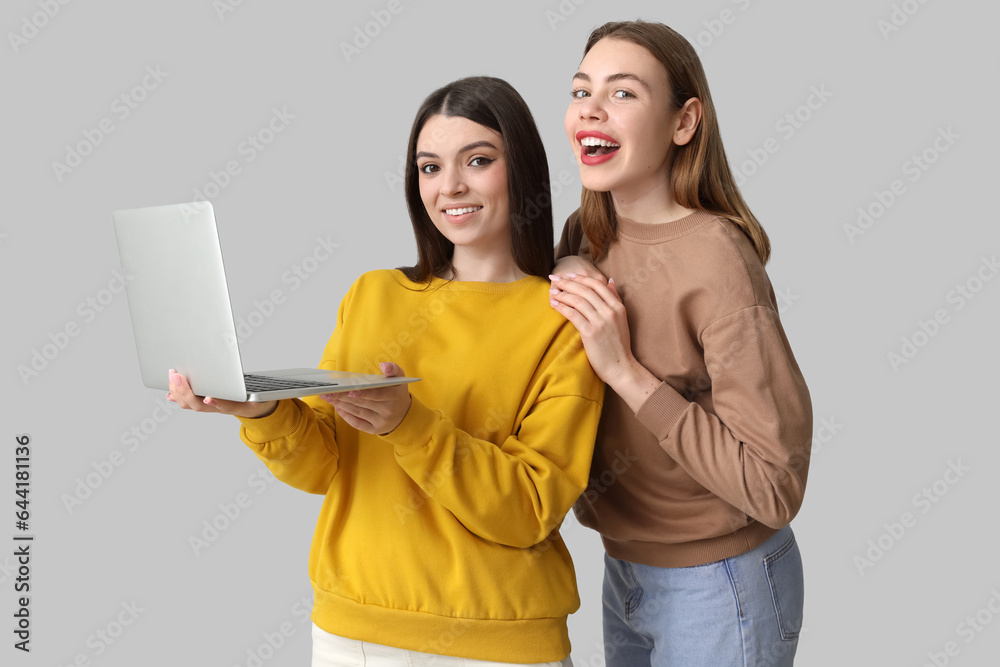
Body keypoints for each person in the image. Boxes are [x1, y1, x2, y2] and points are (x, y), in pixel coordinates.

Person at [168, 76, 603, 666]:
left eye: (477, 161)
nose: (450, 186)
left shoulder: (563, 317)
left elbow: (530, 508)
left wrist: (410, 426)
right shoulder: (371, 295)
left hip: (494, 645)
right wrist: (263, 411)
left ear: (521, 168)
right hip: (351, 633)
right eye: (429, 167)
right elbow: (326, 466)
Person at [548, 20, 813, 667]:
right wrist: (561, 271)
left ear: (684, 121)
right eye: (582, 90)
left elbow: (777, 485)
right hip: (625, 570)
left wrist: (627, 371)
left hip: (722, 583)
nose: (591, 108)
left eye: (623, 93)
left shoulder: (717, 261)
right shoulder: (585, 232)